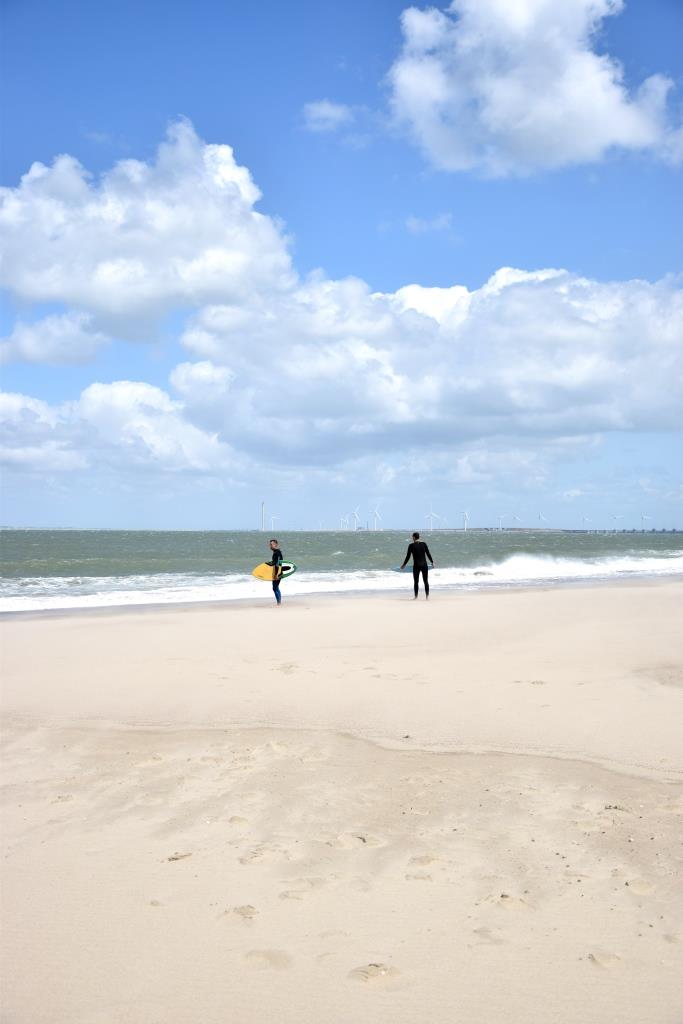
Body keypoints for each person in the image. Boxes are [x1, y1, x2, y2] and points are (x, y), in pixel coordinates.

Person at [400, 531, 435, 599]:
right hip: (424, 565)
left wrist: (403, 565)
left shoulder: (411, 546)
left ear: (413, 537)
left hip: (416, 566)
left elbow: (408, 556)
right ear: (419, 537)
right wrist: (432, 562)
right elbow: (428, 554)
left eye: (412, 537)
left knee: (416, 582)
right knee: (426, 581)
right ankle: (427, 597)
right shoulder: (424, 544)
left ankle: (416, 597)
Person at [266, 538, 284, 606]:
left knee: (275, 587)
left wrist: (276, 574)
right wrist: (268, 564)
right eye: (270, 545)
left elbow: (277, 563)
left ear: (276, 544)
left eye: (272, 544)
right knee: (276, 587)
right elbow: (275, 562)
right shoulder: (277, 552)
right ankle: (279, 602)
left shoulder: (277, 552)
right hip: (279, 571)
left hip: (278, 572)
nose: (270, 546)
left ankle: (279, 603)